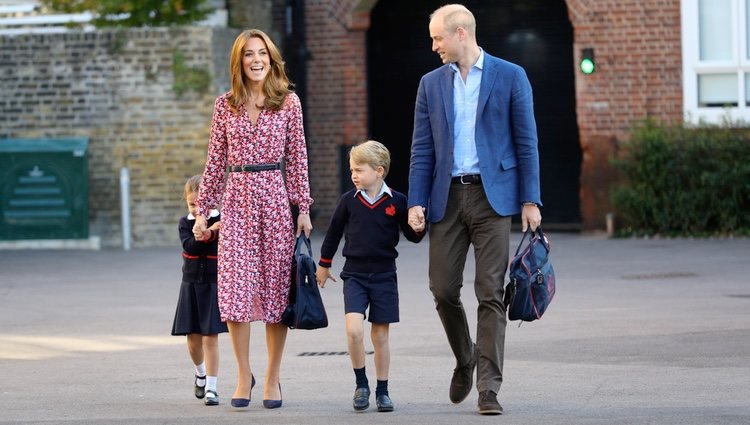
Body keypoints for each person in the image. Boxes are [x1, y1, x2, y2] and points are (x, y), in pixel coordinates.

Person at [407, 4, 543, 415]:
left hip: (493, 197)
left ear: (461, 33)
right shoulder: (430, 84)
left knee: (490, 291)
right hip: (445, 199)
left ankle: (488, 387)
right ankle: (465, 357)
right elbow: (421, 149)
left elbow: (527, 142)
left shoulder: (511, 75)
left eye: (437, 38)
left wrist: (530, 199)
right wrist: (415, 200)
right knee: (443, 289)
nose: (433, 46)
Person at [192, 28, 313, 410]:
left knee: (277, 293)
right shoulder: (224, 104)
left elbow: (297, 159)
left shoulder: (288, 102)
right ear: (239, 62)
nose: (256, 60)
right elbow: (214, 162)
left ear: (271, 58)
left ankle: (273, 377)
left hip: (275, 200)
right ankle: (244, 374)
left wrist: (304, 207)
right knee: (236, 292)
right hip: (238, 201)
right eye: (249, 54)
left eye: (262, 53)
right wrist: (202, 211)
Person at [315, 141, 424, 413]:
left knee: (380, 336)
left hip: (385, 275)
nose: (353, 175)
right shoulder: (347, 201)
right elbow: (333, 235)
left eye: (359, 170)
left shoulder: (397, 201)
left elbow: (411, 235)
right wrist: (324, 265)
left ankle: (383, 391)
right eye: (351, 169)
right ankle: (361, 384)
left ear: (379, 171)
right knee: (353, 330)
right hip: (355, 274)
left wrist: (419, 227)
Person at [171, 175, 228, 406]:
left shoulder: (222, 220)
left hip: (214, 284)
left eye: (201, 204)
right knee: (193, 339)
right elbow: (190, 247)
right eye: (192, 204)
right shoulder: (185, 223)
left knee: (211, 337)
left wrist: (213, 230)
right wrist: (205, 231)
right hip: (191, 284)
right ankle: (200, 374)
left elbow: (223, 243)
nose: (196, 209)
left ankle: (212, 388)